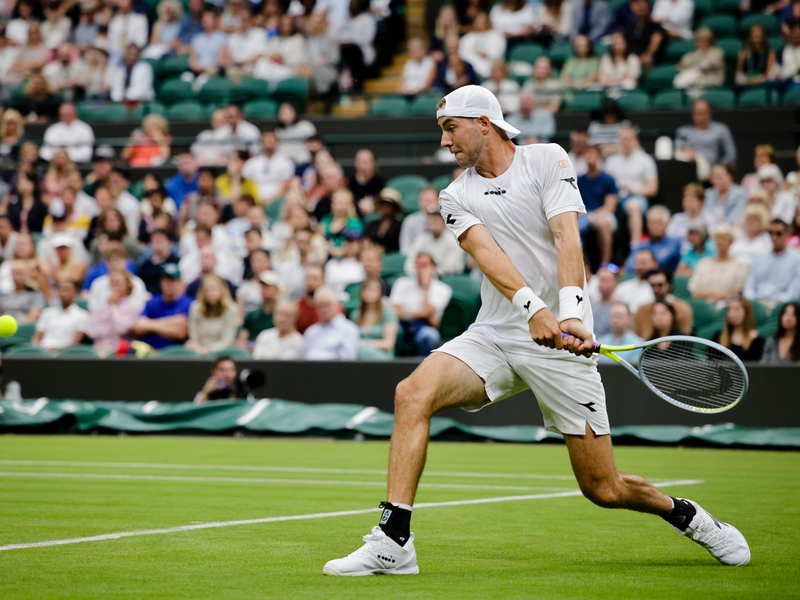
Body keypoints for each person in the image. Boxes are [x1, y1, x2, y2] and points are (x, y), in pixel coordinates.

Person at [323, 85, 749, 577]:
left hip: (564, 344)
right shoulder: (454, 195)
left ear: (484, 123)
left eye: (450, 128)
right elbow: (489, 256)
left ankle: (688, 516)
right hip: (496, 335)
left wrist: (570, 312)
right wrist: (532, 309)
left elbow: (567, 236)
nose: (444, 141)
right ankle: (394, 542)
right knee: (411, 394)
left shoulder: (548, 159)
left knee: (603, 488)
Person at [604, 126, 658, 247]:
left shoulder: (645, 160)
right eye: (623, 139)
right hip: (614, 197)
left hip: (637, 197)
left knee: (633, 205)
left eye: (629, 139)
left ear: (635, 140)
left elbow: (653, 188)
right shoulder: (611, 161)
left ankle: (635, 246)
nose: (626, 142)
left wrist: (633, 190)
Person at [390, 252, 452, 356]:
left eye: (424, 265)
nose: (420, 270)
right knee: (392, 331)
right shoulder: (401, 282)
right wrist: (419, 314)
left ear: (433, 267)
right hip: (401, 323)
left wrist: (425, 288)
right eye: (418, 265)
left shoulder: (443, 289)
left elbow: (426, 312)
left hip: (424, 325)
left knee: (430, 336)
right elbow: (394, 311)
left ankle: (422, 364)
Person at [133, 263, 192, 350]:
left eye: (172, 281)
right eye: (165, 280)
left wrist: (148, 324)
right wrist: (173, 322)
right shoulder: (152, 301)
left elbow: (181, 332)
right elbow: (138, 326)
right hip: (149, 351)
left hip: (174, 353)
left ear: (180, 283)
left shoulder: (188, 303)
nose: (168, 284)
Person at [86, 269, 143, 356]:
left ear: (127, 286)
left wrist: (113, 307)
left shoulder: (133, 308)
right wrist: (110, 329)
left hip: (122, 353)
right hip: (98, 351)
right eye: (112, 283)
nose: (115, 287)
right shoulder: (102, 308)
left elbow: (122, 329)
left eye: (118, 283)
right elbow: (91, 331)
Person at [743, 219, 800, 307]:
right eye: (770, 233)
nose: (774, 237)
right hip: (757, 303)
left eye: (778, 233)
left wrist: (778, 302)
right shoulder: (759, 257)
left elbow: (794, 291)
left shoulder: (796, 259)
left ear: (787, 233)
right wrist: (754, 302)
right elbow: (749, 287)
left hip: (781, 305)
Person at [577, 145, 618, 265]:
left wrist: (594, 216)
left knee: (603, 223)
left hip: (602, 214)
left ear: (599, 157)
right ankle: (585, 267)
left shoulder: (608, 179)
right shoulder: (579, 180)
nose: (589, 157)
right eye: (587, 154)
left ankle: (605, 264)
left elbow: (610, 206)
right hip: (583, 215)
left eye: (592, 154)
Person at [689, 224, 748, 303]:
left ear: (731, 242)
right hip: (702, 303)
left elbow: (736, 292)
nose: (720, 242)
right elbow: (694, 292)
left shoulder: (740, 265)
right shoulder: (703, 263)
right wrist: (712, 296)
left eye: (724, 239)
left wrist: (714, 297)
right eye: (717, 239)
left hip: (727, 304)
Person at [674, 100, 737, 172]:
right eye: (697, 112)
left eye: (703, 112)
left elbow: (731, 155)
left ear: (710, 114)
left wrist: (720, 166)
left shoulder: (721, 130)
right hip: (689, 165)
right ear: (693, 114)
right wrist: (687, 152)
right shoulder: (683, 131)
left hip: (712, 168)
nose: (700, 115)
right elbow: (677, 150)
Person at [301, 286, 360, 360]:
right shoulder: (311, 332)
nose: (324, 309)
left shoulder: (349, 329)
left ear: (337, 305)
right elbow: (302, 358)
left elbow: (347, 360)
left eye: (327, 305)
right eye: (320, 306)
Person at [186, 273, 240, 354]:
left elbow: (228, 341)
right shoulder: (195, 307)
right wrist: (198, 348)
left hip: (223, 352)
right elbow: (194, 336)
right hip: (198, 351)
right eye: (207, 289)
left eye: (214, 289)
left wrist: (208, 350)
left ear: (222, 290)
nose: (211, 293)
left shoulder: (232, 309)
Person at [404, 207, 465, 277]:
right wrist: (419, 275)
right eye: (430, 219)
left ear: (444, 223)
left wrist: (427, 274)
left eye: (436, 219)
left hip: (450, 278)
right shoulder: (421, 239)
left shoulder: (453, 241)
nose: (433, 222)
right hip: (422, 277)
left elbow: (449, 267)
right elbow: (409, 263)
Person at [634, 268, 693, 338]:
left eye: (660, 285)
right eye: (652, 285)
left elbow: (685, 338)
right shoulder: (642, 310)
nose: (656, 289)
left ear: (669, 285)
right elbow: (636, 337)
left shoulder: (682, 309)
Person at [32, 280, 89, 351]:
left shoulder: (83, 315)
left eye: (67, 290)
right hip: (43, 351)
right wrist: (37, 350)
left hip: (65, 354)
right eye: (62, 290)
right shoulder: (47, 312)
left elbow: (75, 343)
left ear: (75, 293)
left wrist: (57, 351)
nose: (64, 294)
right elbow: (37, 338)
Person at [242, 130, 296, 205]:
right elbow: (245, 184)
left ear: (277, 143)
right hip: (253, 200)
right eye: (267, 141)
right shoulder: (251, 163)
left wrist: (270, 200)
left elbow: (285, 187)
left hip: (277, 201)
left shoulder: (286, 162)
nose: (269, 144)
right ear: (261, 143)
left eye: (271, 141)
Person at [351, 277, 399, 359]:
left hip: (382, 354)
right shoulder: (356, 314)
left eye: (374, 290)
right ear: (362, 292)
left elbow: (389, 343)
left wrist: (365, 343)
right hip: (359, 352)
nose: (370, 293)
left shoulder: (388, 313)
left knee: (360, 350)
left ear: (380, 293)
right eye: (367, 289)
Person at [625, 206, 682, 273]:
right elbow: (629, 266)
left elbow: (662, 261)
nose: (655, 226)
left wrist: (642, 263)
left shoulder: (675, 242)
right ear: (647, 225)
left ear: (666, 224)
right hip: (642, 278)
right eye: (652, 222)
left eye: (658, 223)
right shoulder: (641, 244)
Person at [711, 297, 765, 362]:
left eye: (737, 310)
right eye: (729, 310)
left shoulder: (757, 341)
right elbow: (711, 362)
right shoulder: (718, 337)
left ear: (747, 312)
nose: (732, 314)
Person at [238, 270, 282, 345]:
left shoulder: (282, 315)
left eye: (268, 287)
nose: (264, 290)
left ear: (277, 289)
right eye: (262, 287)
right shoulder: (252, 315)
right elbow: (242, 340)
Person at [457, 12, 506, 80]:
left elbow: (498, 54)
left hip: (490, 67)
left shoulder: (496, 35)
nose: (480, 24)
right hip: (471, 70)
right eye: (478, 22)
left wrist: (485, 54)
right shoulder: (468, 37)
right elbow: (462, 53)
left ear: (487, 22)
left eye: (483, 22)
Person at [0, 260, 45, 324]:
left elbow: (32, 317)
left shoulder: (36, 295)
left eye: (20, 274)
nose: (17, 278)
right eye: (14, 273)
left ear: (28, 275)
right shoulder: (3, 295)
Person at [623, 0, 666, 68]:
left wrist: (648, 54)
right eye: (637, 4)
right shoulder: (629, 27)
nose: (641, 7)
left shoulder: (655, 28)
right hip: (630, 59)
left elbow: (657, 38)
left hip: (648, 61)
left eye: (643, 4)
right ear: (631, 7)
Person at [325, 229, 366, 298]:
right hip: (332, 299)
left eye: (353, 242)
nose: (350, 245)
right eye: (347, 241)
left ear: (360, 245)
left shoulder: (363, 265)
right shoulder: (333, 263)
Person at [137, 228, 179, 295]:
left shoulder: (176, 261)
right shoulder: (146, 265)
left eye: (160, 240)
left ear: (169, 242)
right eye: (155, 241)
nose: (158, 243)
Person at [615, 248, 657, 312]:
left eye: (644, 263)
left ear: (655, 264)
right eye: (638, 263)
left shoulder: (659, 288)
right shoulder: (622, 287)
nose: (640, 266)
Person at [399, 186, 439, 254]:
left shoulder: (446, 220)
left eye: (430, 201)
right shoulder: (409, 221)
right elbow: (404, 249)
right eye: (423, 201)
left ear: (438, 201)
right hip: (415, 257)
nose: (426, 204)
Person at [365, 188, 404, 254]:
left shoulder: (399, 226)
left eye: (388, 205)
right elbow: (366, 239)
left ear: (394, 207)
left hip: (390, 256)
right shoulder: (373, 224)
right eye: (383, 204)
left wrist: (383, 249)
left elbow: (398, 245)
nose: (385, 207)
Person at [348, 149, 385, 214]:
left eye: (368, 161)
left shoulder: (381, 183)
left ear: (374, 163)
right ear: (355, 163)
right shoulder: (349, 184)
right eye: (361, 161)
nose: (364, 165)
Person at [589, 265, 618, 337]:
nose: (601, 284)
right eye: (600, 281)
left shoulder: (619, 308)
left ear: (614, 283)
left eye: (605, 281)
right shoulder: (591, 306)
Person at [296, 263, 324, 333]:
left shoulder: (331, 307)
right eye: (309, 279)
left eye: (315, 279)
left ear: (323, 281)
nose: (311, 283)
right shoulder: (297, 307)